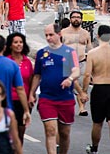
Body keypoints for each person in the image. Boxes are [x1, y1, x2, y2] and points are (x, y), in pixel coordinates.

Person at [29, 23, 80, 154]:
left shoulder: (69, 52)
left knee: (64, 133)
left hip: (65, 98)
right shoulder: (42, 53)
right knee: (50, 130)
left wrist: (69, 79)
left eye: (51, 35)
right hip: (47, 98)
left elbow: (76, 71)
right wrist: (31, 93)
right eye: (46, 35)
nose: (48, 38)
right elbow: (37, 75)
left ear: (59, 34)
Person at [83, 25, 110, 154]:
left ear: (98, 36)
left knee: (97, 122)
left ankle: (94, 148)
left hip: (99, 88)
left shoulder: (93, 53)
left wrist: (83, 91)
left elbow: (87, 75)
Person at [4, 32, 33, 145]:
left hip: (23, 102)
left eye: (21, 42)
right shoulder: (6, 61)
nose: (18, 45)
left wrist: (31, 96)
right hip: (8, 101)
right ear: (10, 45)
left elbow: (30, 81)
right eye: (15, 42)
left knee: (20, 133)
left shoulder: (27, 62)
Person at [61, 10, 92, 116]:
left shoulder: (85, 33)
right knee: (73, 83)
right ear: (70, 19)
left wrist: (92, 62)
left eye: (78, 17)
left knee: (83, 85)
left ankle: (82, 107)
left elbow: (90, 48)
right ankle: (76, 106)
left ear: (81, 20)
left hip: (82, 61)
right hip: (68, 62)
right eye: (74, 17)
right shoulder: (64, 32)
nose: (76, 19)